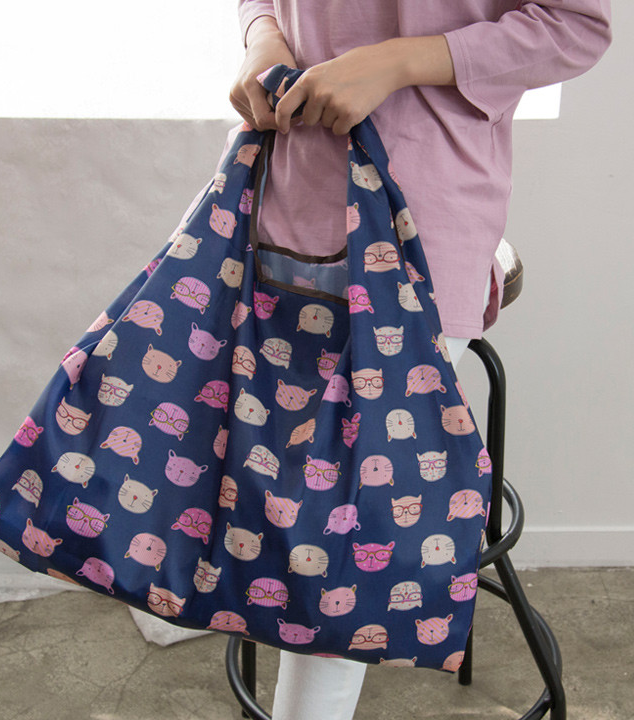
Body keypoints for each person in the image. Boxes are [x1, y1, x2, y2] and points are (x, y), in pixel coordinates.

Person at [229, 2, 612, 718]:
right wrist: (264, 38)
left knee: (336, 526)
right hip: (282, 192)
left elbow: (575, 24)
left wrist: (398, 60)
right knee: (277, 486)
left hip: (419, 219)